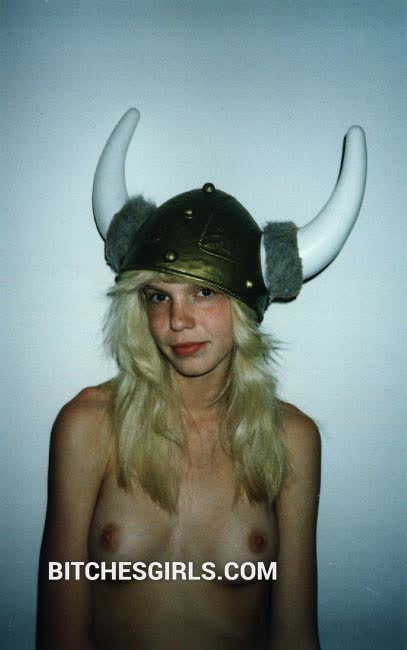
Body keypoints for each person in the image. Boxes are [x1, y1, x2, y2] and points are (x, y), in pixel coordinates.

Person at [36, 109, 367, 650]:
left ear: (245, 308)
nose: (177, 320)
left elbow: (295, 633)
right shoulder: (87, 425)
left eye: (205, 292)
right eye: (158, 296)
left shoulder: (291, 439)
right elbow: (59, 630)